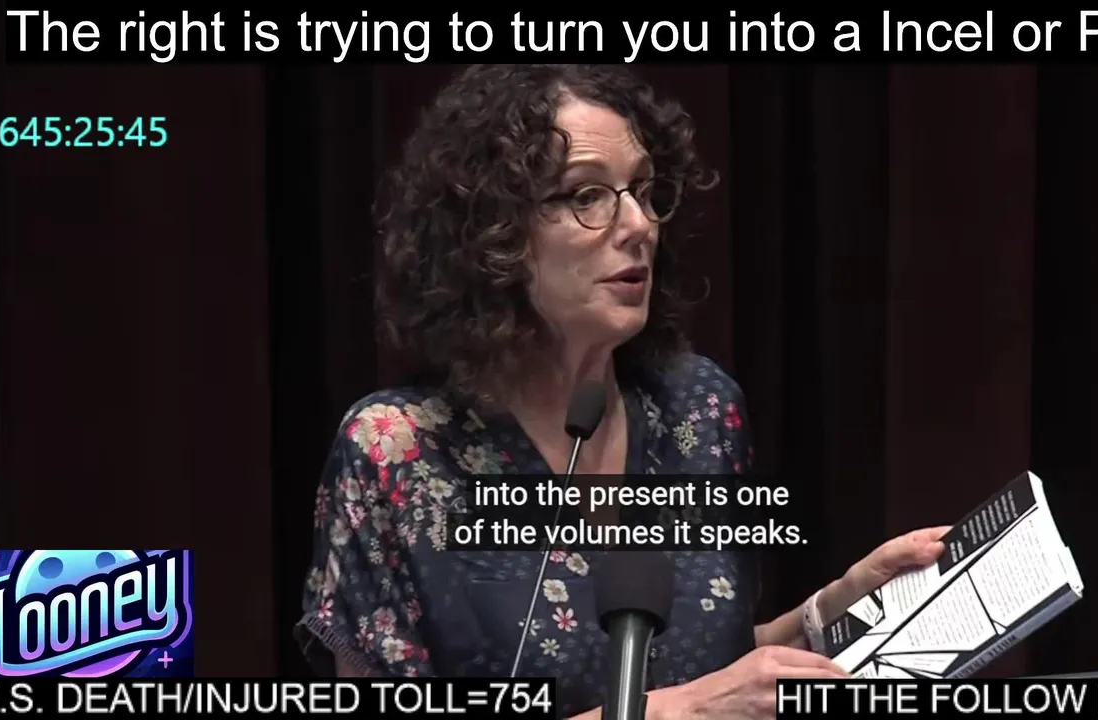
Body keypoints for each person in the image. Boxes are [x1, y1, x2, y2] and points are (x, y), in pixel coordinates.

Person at [294, 64, 948, 719]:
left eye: (642, 190)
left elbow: (704, 670)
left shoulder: (698, 410)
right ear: (492, 231)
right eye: (587, 195)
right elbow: (689, 701)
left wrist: (834, 609)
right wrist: (676, 713)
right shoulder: (397, 451)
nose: (638, 224)